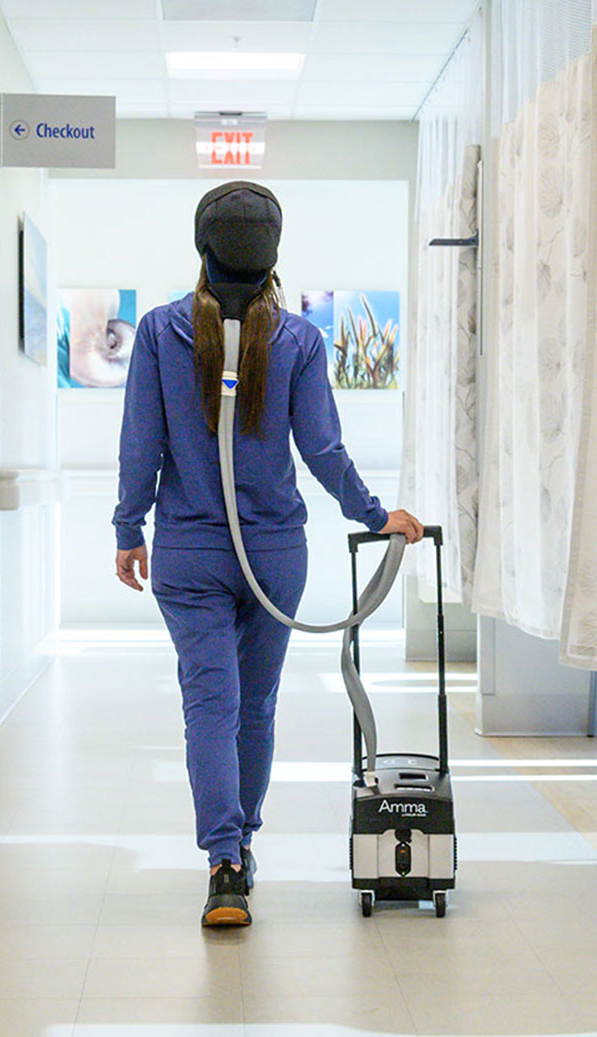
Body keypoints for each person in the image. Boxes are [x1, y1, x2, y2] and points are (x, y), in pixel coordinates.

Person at [112, 181, 423, 927]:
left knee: (209, 704)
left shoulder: (158, 332)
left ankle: (224, 862)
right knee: (255, 706)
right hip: (276, 554)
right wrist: (378, 516)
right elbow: (322, 449)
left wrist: (129, 527)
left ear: (201, 247)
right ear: (274, 255)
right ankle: (240, 846)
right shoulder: (300, 340)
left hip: (189, 554)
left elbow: (140, 445)